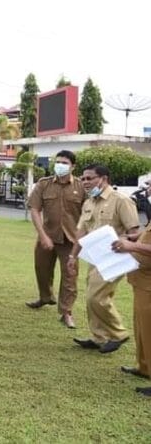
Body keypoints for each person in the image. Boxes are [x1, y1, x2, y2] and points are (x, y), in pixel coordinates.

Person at [68, 164, 139, 353]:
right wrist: (72, 256)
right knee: (91, 295)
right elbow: (81, 232)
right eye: (83, 179)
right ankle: (98, 337)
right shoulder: (89, 203)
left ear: (104, 179)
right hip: (95, 257)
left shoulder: (121, 201)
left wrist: (122, 241)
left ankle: (118, 333)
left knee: (96, 297)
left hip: (115, 258)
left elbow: (134, 233)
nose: (85, 182)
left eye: (89, 178)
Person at [26, 150, 85, 328]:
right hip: (48, 235)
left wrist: (82, 237)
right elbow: (35, 209)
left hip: (71, 240)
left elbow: (88, 213)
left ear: (73, 166)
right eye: (58, 162)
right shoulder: (43, 184)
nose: (60, 165)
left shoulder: (81, 187)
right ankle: (45, 297)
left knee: (70, 276)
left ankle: (66, 312)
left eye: (64, 163)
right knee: (42, 269)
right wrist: (42, 235)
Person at [111, 226, 151, 397]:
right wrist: (136, 236)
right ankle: (144, 367)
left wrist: (132, 246)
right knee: (141, 327)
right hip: (142, 281)